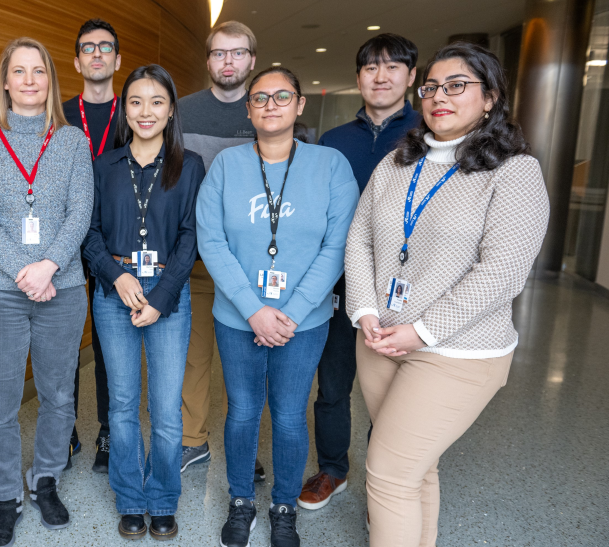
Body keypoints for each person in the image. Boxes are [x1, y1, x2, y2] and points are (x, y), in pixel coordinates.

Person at [345, 41, 549, 547]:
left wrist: (422, 330)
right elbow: (360, 237)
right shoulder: (396, 163)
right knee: (418, 470)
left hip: (457, 351)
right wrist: (365, 308)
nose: (440, 96)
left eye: (457, 86)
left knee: (389, 473)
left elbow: (501, 272)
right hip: (381, 340)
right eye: (432, 86)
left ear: (490, 97)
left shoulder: (514, 171)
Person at [196, 66, 359, 547]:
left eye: (281, 95)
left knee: (289, 414)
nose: (270, 104)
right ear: (248, 109)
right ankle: (241, 501)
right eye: (260, 97)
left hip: (304, 322)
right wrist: (253, 310)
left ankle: (284, 506)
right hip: (237, 316)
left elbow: (337, 246)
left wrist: (291, 311)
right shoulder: (227, 166)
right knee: (243, 411)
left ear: (300, 104)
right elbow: (212, 240)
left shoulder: (330, 165)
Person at [0, 37, 93, 547]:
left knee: (59, 394)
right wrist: (26, 270)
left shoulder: (72, 141)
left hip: (63, 289)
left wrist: (49, 267)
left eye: (38, 71)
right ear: (5, 82)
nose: (29, 81)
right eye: (18, 72)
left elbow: (79, 212)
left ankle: (45, 482)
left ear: (50, 79)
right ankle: (5, 497)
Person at [298, 33, 422, 512]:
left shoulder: (426, 135)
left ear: (412, 77)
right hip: (339, 281)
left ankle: (385, 477)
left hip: (400, 288)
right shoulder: (333, 142)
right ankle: (333, 469)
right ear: (358, 78)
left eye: (393, 67)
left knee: (390, 389)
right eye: (371, 67)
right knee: (332, 383)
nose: (381, 76)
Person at [83, 64, 204, 541]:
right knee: (123, 405)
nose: (146, 111)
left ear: (171, 108)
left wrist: (160, 295)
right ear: (124, 109)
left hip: (167, 299)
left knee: (168, 409)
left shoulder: (189, 165)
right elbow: (89, 235)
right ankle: (131, 498)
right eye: (136, 101)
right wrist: (116, 277)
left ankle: (163, 498)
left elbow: (192, 236)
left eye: (157, 101)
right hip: (115, 298)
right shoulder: (104, 166)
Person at [177, 20, 264, 477]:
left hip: (250, 266)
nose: (227, 61)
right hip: (194, 260)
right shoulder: (182, 112)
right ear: (208, 60)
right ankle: (193, 441)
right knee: (195, 357)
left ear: (252, 59)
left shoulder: (265, 111)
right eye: (218, 53)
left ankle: (245, 448)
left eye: (238, 53)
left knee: (246, 361)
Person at [60, 17, 121, 474]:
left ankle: (108, 430)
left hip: (112, 242)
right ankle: (63, 430)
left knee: (107, 345)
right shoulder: (59, 115)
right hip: (61, 240)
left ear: (117, 60)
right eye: (88, 48)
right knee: (60, 343)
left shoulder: (135, 110)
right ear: (77, 60)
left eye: (105, 47)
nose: (96, 54)